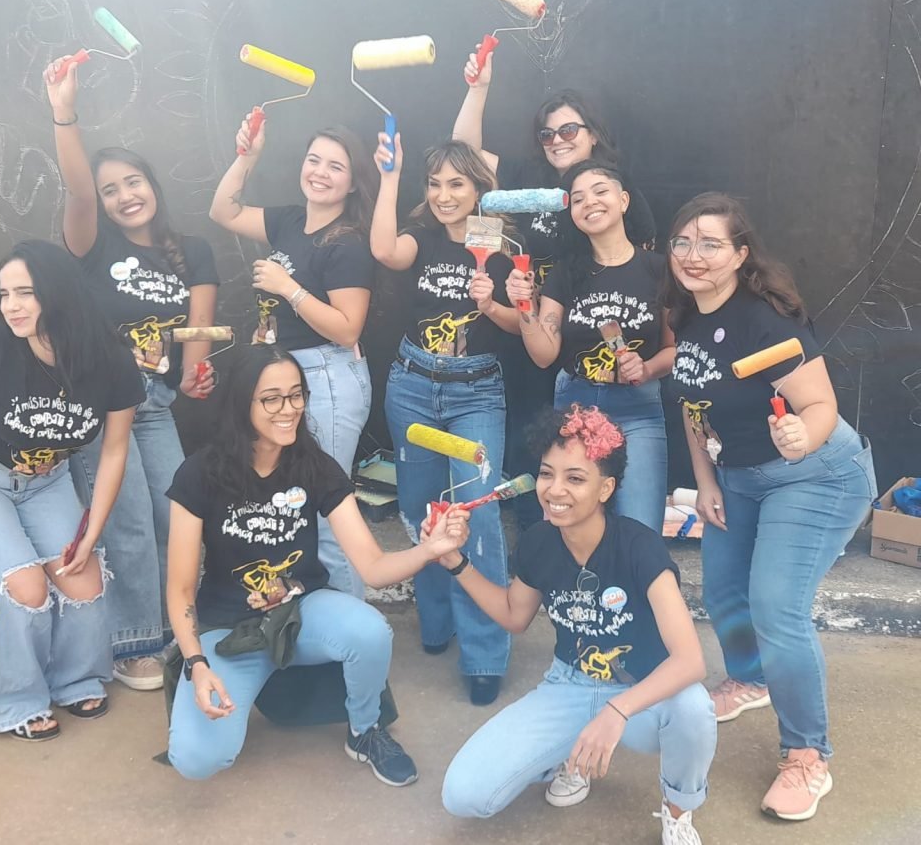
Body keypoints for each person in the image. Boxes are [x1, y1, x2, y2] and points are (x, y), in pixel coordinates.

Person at [664, 193, 877, 821]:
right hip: (736, 477)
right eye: (683, 242)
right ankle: (750, 679)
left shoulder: (765, 321)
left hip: (815, 475)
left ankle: (807, 754)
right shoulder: (687, 315)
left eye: (710, 244)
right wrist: (705, 480)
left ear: (740, 255)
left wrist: (801, 435)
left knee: (776, 606)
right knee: (725, 590)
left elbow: (820, 406)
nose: (694, 255)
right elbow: (693, 406)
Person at [164, 345, 468, 784]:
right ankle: (241, 688)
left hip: (300, 612)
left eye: (296, 395)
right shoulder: (199, 474)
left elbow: (373, 566)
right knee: (196, 760)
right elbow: (180, 588)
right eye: (271, 399)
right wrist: (197, 663)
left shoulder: (315, 467)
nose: (288, 409)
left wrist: (431, 549)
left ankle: (365, 730)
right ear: (241, 402)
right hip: (229, 627)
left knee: (369, 631)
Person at [438, 405, 715, 845]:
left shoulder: (639, 546)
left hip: (643, 690)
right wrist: (455, 561)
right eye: (547, 474)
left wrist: (617, 711)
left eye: (575, 478)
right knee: (464, 794)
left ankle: (678, 811)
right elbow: (514, 616)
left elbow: (690, 661)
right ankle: (571, 756)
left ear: (605, 488)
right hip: (569, 683)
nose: (555, 490)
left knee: (694, 707)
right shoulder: (539, 541)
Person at [45, 58, 220, 690]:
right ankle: (134, 644)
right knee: (129, 524)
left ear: (153, 185)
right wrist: (64, 113)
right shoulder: (93, 244)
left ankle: (175, 628)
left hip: (154, 404)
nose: (124, 196)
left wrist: (194, 377)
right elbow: (77, 192)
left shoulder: (192, 251)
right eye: (111, 189)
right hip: (98, 403)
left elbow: (196, 337)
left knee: (177, 515)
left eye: (133, 181)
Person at [0, 241, 145, 740]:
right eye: (4, 294)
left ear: (58, 291)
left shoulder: (110, 361)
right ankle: (18, 702)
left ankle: (75, 679)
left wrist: (91, 531)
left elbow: (114, 452)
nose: (11, 306)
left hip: (46, 482)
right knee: (27, 587)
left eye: (25, 292)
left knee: (83, 577)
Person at [454, 49, 657, 528]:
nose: (557, 141)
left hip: (589, 338)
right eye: (548, 134)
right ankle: (539, 538)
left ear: (593, 134)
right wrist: (478, 89)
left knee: (602, 462)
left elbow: (640, 270)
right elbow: (463, 155)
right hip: (529, 326)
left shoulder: (615, 187)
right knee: (538, 445)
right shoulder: (531, 179)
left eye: (569, 130)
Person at [370, 134, 518, 706]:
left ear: (480, 188)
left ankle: (484, 652)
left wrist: (491, 304)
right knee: (420, 510)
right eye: (434, 184)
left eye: (457, 184)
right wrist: (391, 176)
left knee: (475, 512)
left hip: (475, 391)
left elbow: (523, 327)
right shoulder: (423, 237)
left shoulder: (502, 245)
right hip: (412, 384)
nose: (443, 195)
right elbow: (385, 251)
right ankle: (436, 621)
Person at [208, 115, 377, 598]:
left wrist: (289, 288)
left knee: (329, 513)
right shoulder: (288, 221)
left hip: (326, 377)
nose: (320, 172)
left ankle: (350, 623)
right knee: (296, 507)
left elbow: (348, 329)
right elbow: (223, 210)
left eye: (335, 167)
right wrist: (248, 157)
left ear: (352, 182)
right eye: (314, 160)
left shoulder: (348, 243)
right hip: (286, 376)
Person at [507, 160, 673, 534]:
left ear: (624, 200)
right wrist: (523, 305)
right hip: (575, 404)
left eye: (600, 192)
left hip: (638, 409)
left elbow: (674, 349)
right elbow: (544, 355)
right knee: (570, 525)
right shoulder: (566, 272)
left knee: (639, 529)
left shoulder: (658, 269)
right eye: (578, 198)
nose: (590, 203)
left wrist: (646, 368)